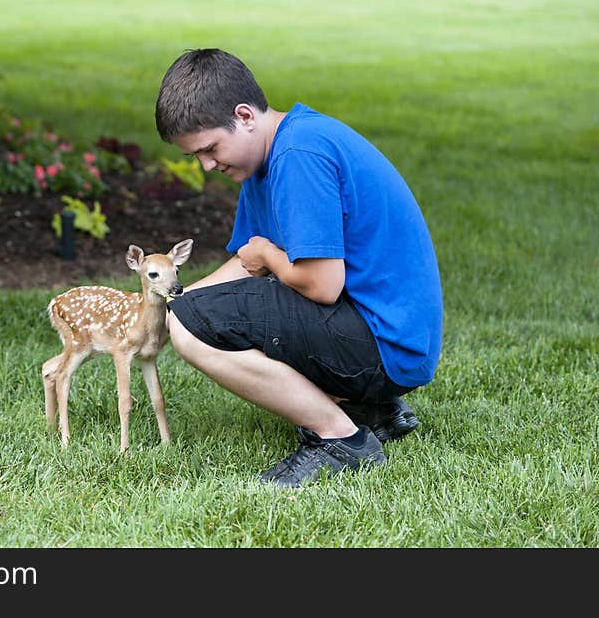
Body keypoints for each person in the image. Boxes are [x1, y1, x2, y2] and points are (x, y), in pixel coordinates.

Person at [155, 48, 443, 488]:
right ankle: (371, 410)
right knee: (191, 317)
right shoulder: (270, 155)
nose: (207, 165)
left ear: (245, 115)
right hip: (393, 340)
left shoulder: (298, 155)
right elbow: (246, 262)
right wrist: (177, 303)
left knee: (193, 329)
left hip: (386, 345)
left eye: (210, 148)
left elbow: (321, 284)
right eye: (197, 156)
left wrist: (264, 263)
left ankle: (340, 438)